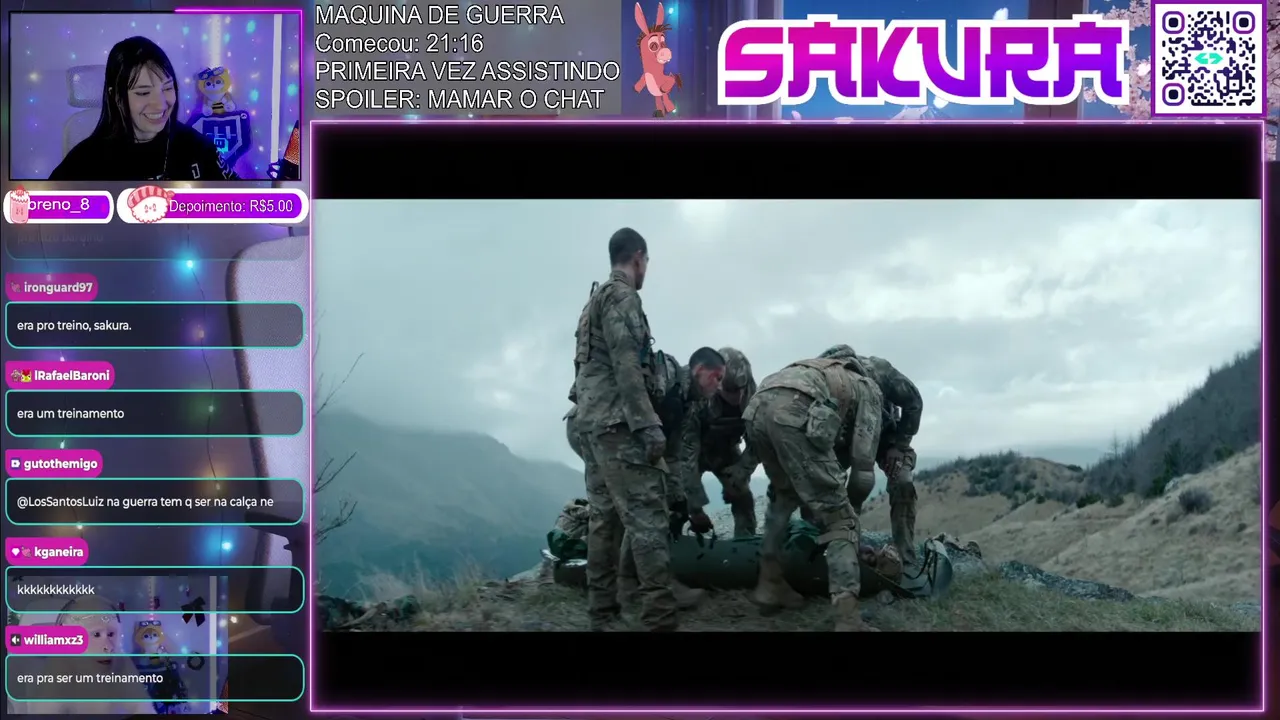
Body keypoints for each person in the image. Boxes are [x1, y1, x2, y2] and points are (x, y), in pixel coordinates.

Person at [570, 227, 678, 632]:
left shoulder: (592, 302)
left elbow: (584, 368)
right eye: (646, 262)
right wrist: (648, 425)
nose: (646, 269)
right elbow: (627, 364)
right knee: (648, 519)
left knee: (604, 520)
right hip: (618, 425)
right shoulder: (621, 296)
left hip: (591, 424)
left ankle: (602, 614)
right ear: (638, 257)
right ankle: (660, 619)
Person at [742, 355, 884, 632]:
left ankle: (770, 585)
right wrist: (847, 520)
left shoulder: (815, 370)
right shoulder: (868, 387)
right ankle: (848, 619)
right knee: (840, 519)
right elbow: (863, 470)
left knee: (783, 497)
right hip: (793, 412)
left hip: (756, 409)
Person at [564, 397, 706, 610]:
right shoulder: (679, 391)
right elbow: (673, 453)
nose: (716, 385)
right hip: (607, 424)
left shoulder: (690, 396)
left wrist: (681, 498)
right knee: (640, 506)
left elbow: (673, 453)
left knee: (627, 505)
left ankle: (618, 591)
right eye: (715, 380)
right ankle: (637, 587)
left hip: (609, 421)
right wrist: (687, 503)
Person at [49, 36, 237, 182]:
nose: (161, 104)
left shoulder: (197, 147)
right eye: (143, 92)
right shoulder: (84, 162)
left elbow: (240, 203)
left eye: (167, 88)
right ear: (116, 97)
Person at [819, 344, 924, 565]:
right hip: (846, 440)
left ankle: (905, 559)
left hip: (887, 436)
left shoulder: (880, 371)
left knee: (903, 481)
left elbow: (914, 402)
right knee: (826, 487)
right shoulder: (821, 380)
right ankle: (839, 553)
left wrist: (899, 445)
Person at [679, 346, 760, 538]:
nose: (737, 396)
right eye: (730, 390)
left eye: (740, 389)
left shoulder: (753, 396)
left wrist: (741, 473)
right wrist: (695, 507)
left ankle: (745, 542)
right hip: (695, 451)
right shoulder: (699, 395)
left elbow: (758, 441)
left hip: (726, 450)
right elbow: (686, 452)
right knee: (678, 499)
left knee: (743, 498)